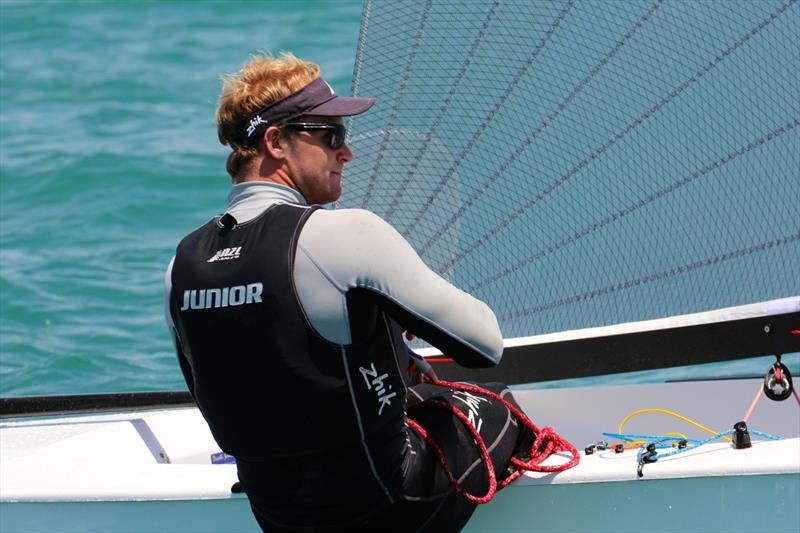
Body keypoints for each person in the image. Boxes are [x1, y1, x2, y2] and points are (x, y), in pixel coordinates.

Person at [164, 53, 527, 532]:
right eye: (331, 136)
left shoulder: (181, 264)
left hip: (278, 515)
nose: (347, 153)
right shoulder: (343, 235)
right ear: (276, 142)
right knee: (497, 402)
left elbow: (231, 389)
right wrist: (392, 302)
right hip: (389, 506)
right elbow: (484, 345)